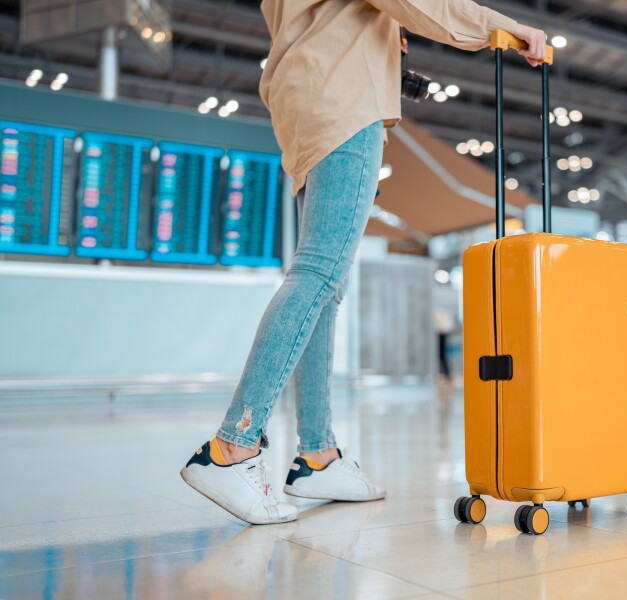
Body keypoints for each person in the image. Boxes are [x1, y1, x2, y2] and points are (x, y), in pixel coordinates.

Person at [180, 0, 548, 525]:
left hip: (306, 102)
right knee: (318, 273)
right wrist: (509, 29)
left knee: (324, 285)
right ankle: (232, 447)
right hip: (345, 102)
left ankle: (317, 455)